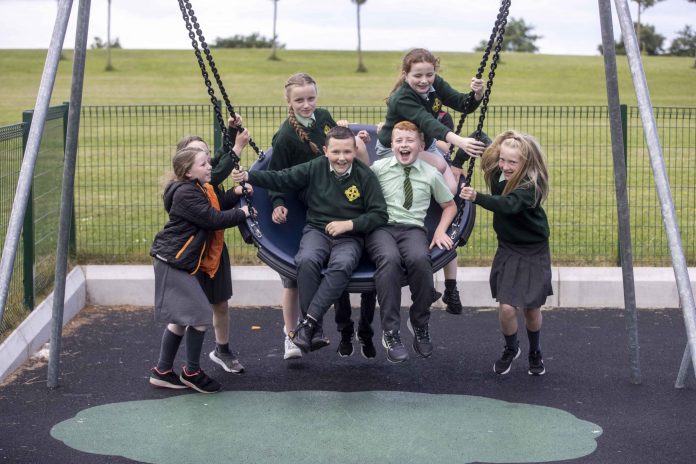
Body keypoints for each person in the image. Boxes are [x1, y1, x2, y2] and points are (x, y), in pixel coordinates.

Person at [232, 126, 388, 354]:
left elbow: (379, 213)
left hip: (349, 237)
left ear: (355, 151)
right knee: (306, 260)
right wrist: (249, 176)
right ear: (325, 151)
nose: (341, 158)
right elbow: (283, 178)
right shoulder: (315, 168)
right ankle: (315, 330)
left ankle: (307, 325)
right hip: (317, 230)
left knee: (342, 265)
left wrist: (349, 224)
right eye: (335, 152)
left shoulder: (364, 176)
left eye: (347, 152)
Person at [269, 72, 376, 360]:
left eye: (311, 98)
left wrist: (353, 137)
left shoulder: (324, 115)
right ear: (289, 102)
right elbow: (277, 174)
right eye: (300, 100)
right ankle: (310, 327)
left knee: (339, 251)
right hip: (312, 192)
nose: (307, 105)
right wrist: (278, 201)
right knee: (307, 260)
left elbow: (337, 140)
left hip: (337, 184)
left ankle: (309, 327)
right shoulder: (286, 137)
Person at [148, 146, 250, 393]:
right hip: (174, 261)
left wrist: (237, 193)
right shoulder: (186, 193)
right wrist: (243, 213)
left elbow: (215, 206)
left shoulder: (196, 188)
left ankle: (162, 371)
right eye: (204, 164)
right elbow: (214, 219)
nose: (210, 167)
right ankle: (191, 372)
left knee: (181, 320)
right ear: (188, 171)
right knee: (201, 316)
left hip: (179, 259)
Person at [459, 130, 551, 376]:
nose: (506, 166)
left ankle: (535, 351)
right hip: (509, 247)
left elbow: (507, 206)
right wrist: (482, 138)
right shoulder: (498, 171)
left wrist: (477, 197)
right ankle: (511, 348)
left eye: (513, 162)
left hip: (533, 249)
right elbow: (487, 152)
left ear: (526, 163)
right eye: (503, 160)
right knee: (507, 308)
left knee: (531, 308)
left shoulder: (531, 185)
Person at [367, 121, 457, 363]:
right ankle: (391, 332)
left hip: (413, 229)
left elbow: (449, 205)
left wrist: (439, 231)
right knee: (389, 260)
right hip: (382, 229)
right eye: (399, 141)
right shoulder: (378, 168)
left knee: (419, 260)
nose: (404, 145)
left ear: (420, 145)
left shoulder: (430, 173)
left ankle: (419, 322)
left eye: (409, 141)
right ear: (391, 145)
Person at [175, 117, 250, 375]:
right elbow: (216, 177)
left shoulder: (206, 176)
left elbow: (217, 170)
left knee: (220, 303)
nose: (207, 161)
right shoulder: (188, 188)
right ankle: (177, 366)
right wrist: (238, 148)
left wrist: (230, 130)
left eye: (206, 154)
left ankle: (222, 350)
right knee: (190, 312)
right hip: (193, 254)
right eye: (200, 157)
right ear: (187, 165)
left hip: (215, 252)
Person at [376, 48, 488, 194]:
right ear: (405, 75)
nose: (424, 80)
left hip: (425, 145)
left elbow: (462, 103)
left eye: (429, 74)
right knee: (439, 165)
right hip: (396, 148)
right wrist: (460, 142)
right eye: (417, 75)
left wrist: (478, 94)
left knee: (451, 190)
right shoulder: (402, 98)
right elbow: (427, 122)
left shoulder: (435, 84)